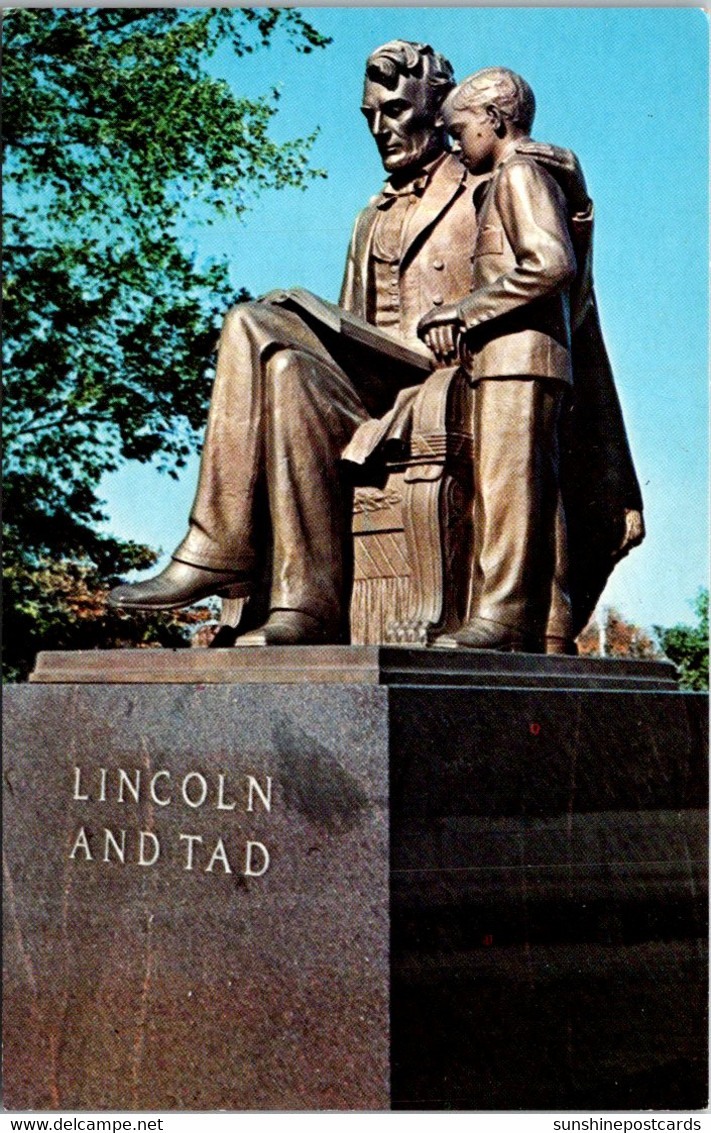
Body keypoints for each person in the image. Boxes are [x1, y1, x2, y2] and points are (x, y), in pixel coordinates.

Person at [109, 40, 480, 645]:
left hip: (439, 385)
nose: (381, 130)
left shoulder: (482, 191)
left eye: (395, 112)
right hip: (370, 386)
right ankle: (303, 605)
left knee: (249, 324)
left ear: (439, 109)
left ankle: (215, 549)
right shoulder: (370, 217)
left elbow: (542, 293)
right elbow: (356, 322)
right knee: (279, 361)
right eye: (370, 118)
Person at [418, 67, 643, 651]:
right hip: (527, 359)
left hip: (518, 359)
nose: (452, 145)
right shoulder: (520, 175)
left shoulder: (518, 173)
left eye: (458, 129)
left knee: (507, 489)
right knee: (537, 493)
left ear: (493, 120)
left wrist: (463, 312)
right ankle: (549, 622)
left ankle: (503, 616)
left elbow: (551, 264)